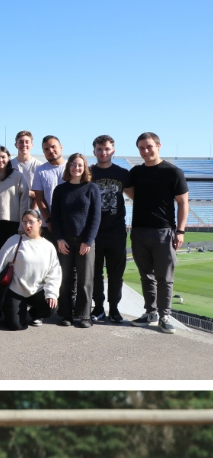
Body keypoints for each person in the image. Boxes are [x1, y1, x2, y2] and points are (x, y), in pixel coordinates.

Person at [125, 131, 190, 334]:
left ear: (158, 146)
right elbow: (131, 193)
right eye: (141, 148)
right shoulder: (136, 172)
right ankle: (150, 313)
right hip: (139, 231)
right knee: (146, 276)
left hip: (164, 232)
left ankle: (165, 315)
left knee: (164, 277)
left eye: (149, 147)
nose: (145, 151)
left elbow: (183, 202)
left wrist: (180, 231)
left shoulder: (173, 172)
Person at [49, 154, 102, 327]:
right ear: (68, 167)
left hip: (85, 242)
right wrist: (59, 239)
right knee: (65, 279)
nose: (76, 168)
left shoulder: (91, 188)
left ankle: (84, 315)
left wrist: (88, 240)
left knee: (85, 279)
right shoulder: (60, 190)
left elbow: (95, 217)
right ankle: (66, 314)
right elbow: (55, 218)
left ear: (84, 167)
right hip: (65, 241)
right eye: (73, 165)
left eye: (79, 165)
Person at [0, 210, 62, 331]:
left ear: (40, 222)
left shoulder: (49, 247)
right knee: (16, 326)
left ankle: (35, 314)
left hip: (37, 290)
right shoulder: (15, 240)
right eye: (24, 222)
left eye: (31, 222)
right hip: (16, 290)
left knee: (51, 307)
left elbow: (54, 273)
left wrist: (52, 293)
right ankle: (8, 309)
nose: (27, 226)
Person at [89, 135, 133, 323]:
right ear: (94, 152)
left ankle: (114, 308)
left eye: (106, 149)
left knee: (116, 274)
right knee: (95, 272)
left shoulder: (122, 173)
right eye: (99, 149)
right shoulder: (89, 173)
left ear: (113, 150)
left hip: (116, 231)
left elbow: (134, 196)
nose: (103, 152)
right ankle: (98, 307)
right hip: (94, 231)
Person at [0, 145, 31, 252]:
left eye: (3, 157)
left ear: (9, 158)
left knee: (12, 259)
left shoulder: (18, 176)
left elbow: (24, 202)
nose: (0, 160)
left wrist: (22, 225)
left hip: (13, 223)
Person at [31, 136, 67, 218]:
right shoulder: (40, 170)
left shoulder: (72, 168)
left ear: (61, 147)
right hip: (48, 224)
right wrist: (48, 220)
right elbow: (39, 198)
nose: (50, 150)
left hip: (69, 222)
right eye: (46, 149)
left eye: (53, 146)